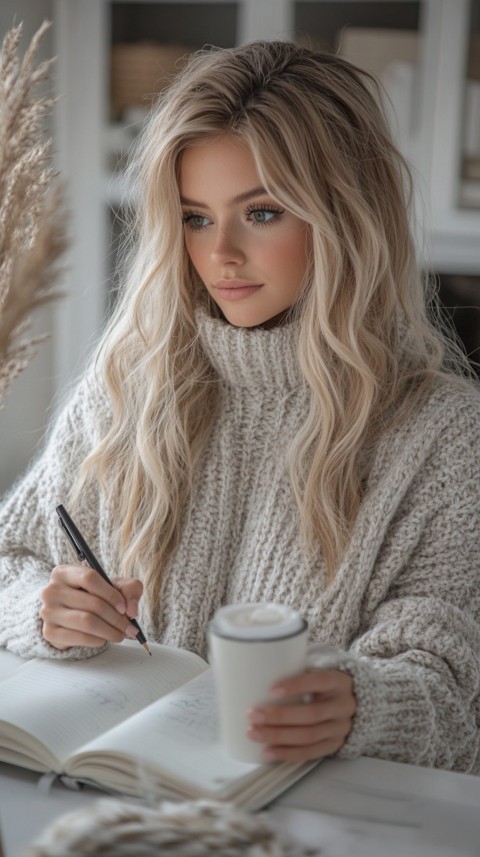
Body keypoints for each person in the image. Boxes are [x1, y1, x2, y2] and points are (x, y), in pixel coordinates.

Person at [0, 40, 479, 773]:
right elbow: (14, 557)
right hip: (112, 804)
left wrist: (361, 702)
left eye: (260, 213)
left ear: (346, 217)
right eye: (195, 217)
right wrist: (43, 607)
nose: (219, 252)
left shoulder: (444, 437)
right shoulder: (130, 380)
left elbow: (450, 694)